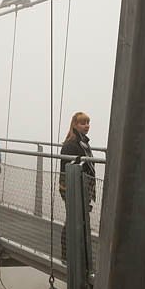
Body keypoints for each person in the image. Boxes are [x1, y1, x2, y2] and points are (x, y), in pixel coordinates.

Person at [59, 112, 97, 261]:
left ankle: (75, 254)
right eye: (83, 123)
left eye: (88, 122)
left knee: (78, 219)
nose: (86, 126)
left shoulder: (82, 142)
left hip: (82, 186)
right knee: (73, 220)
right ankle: (66, 255)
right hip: (72, 187)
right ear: (75, 125)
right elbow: (69, 167)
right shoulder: (71, 144)